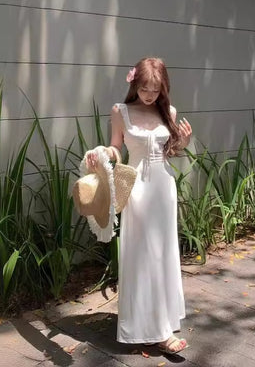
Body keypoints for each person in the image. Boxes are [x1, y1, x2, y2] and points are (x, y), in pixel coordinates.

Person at [86, 57, 192, 354]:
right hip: (137, 192)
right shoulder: (120, 112)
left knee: (162, 255)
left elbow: (170, 151)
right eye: (145, 88)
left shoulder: (168, 111)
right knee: (141, 257)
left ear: (163, 89)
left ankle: (161, 325)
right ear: (135, 85)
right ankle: (147, 327)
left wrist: (182, 141)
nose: (149, 95)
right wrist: (100, 154)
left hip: (163, 189)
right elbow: (115, 148)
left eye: (156, 90)